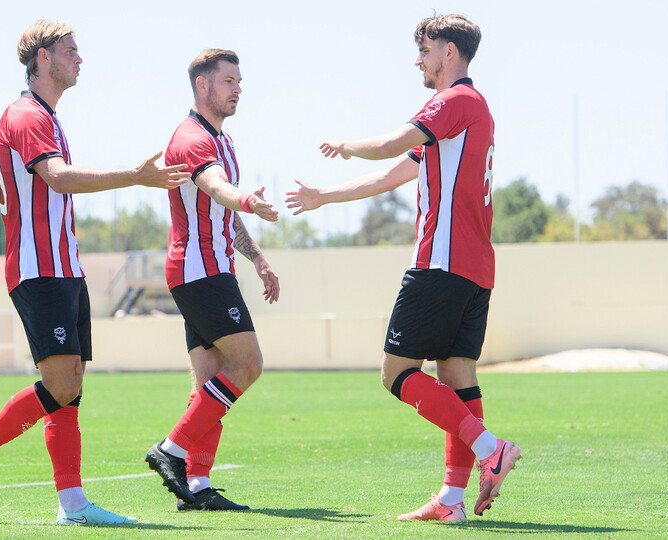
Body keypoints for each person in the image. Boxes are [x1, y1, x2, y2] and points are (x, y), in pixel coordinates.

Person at [0, 19, 189, 527]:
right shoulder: (25, 114)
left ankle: (73, 505)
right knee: (58, 383)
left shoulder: (48, 118)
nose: (80, 59)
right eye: (70, 51)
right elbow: (57, 179)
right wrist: (134, 177)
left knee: (70, 385)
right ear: (42, 58)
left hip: (63, 269)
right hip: (38, 270)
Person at [286, 14, 520, 522]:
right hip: (474, 268)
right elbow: (394, 173)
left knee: (396, 374)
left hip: (441, 262)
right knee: (457, 378)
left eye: (427, 49)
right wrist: (324, 196)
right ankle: (453, 501)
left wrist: (345, 144)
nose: (419, 59)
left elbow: (393, 144)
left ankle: (489, 449)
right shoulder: (468, 115)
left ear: (450, 53)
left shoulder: (456, 101)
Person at [144, 49, 280, 512]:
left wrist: (258, 258)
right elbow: (216, 188)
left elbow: (223, 207)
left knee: (211, 386)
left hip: (205, 270)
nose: (238, 88)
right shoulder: (191, 138)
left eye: (239, 80)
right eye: (228, 81)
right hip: (200, 272)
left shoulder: (223, 139)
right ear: (203, 86)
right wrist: (246, 199)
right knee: (248, 366)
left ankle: (197, 488)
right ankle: (171, 450)